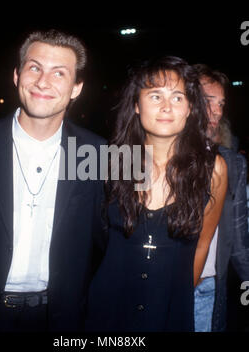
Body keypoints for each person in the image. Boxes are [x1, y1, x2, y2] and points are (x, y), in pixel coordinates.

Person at [0, 29, 106, 332]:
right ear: (16, 75)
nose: (43, 82)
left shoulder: (97, 154)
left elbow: (106, 243)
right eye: (34, 67)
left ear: (77, 87)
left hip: (61, 319)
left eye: (59, 73)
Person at [85, 56, 227, 332]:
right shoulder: (110, 163)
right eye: (155, 96)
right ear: (136, 106)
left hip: (171, 311)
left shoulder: (213, 170)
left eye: (177, 97)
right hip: (107, 309)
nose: (166, 107)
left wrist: (178, 292)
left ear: (189, 108)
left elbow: (202, 245)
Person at [193, 63, 249, 331]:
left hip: (206, 289)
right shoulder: (151, 155)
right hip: (155, 287)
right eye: (207, 101)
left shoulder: (232, 164)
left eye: (221, 103)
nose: (216, 111)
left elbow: (239, 241)